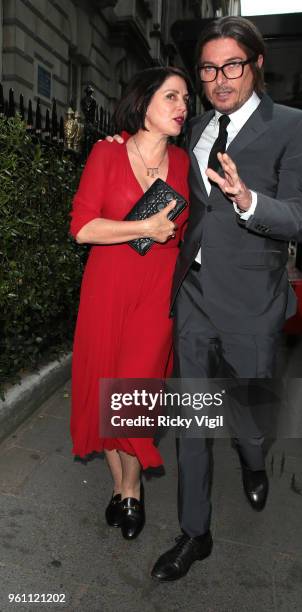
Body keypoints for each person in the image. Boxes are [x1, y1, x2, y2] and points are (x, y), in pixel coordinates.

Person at [110, 16, 302, 580]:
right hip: (194, 295)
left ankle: (254, 462)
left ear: (256, 64)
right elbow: (155, 159)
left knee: (249, 423)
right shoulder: (196, 125)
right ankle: (194, 534)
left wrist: (250, 200)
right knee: (192, 423)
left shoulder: (294, 127)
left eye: (232, 65)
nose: (220, 78)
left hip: (252, 301)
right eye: (209, 68)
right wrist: (122, 143)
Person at [70, 66, 190, 541]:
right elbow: (82, 228)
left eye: (185, 98)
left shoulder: (183, 163)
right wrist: (143, 228)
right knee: (105, 389)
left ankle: (133, 492)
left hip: (158, 291)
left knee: (133, 393)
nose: (182, 106)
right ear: (143, 104)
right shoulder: (107, 153)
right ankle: (122, 488)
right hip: (109, 284)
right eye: (171, 97)